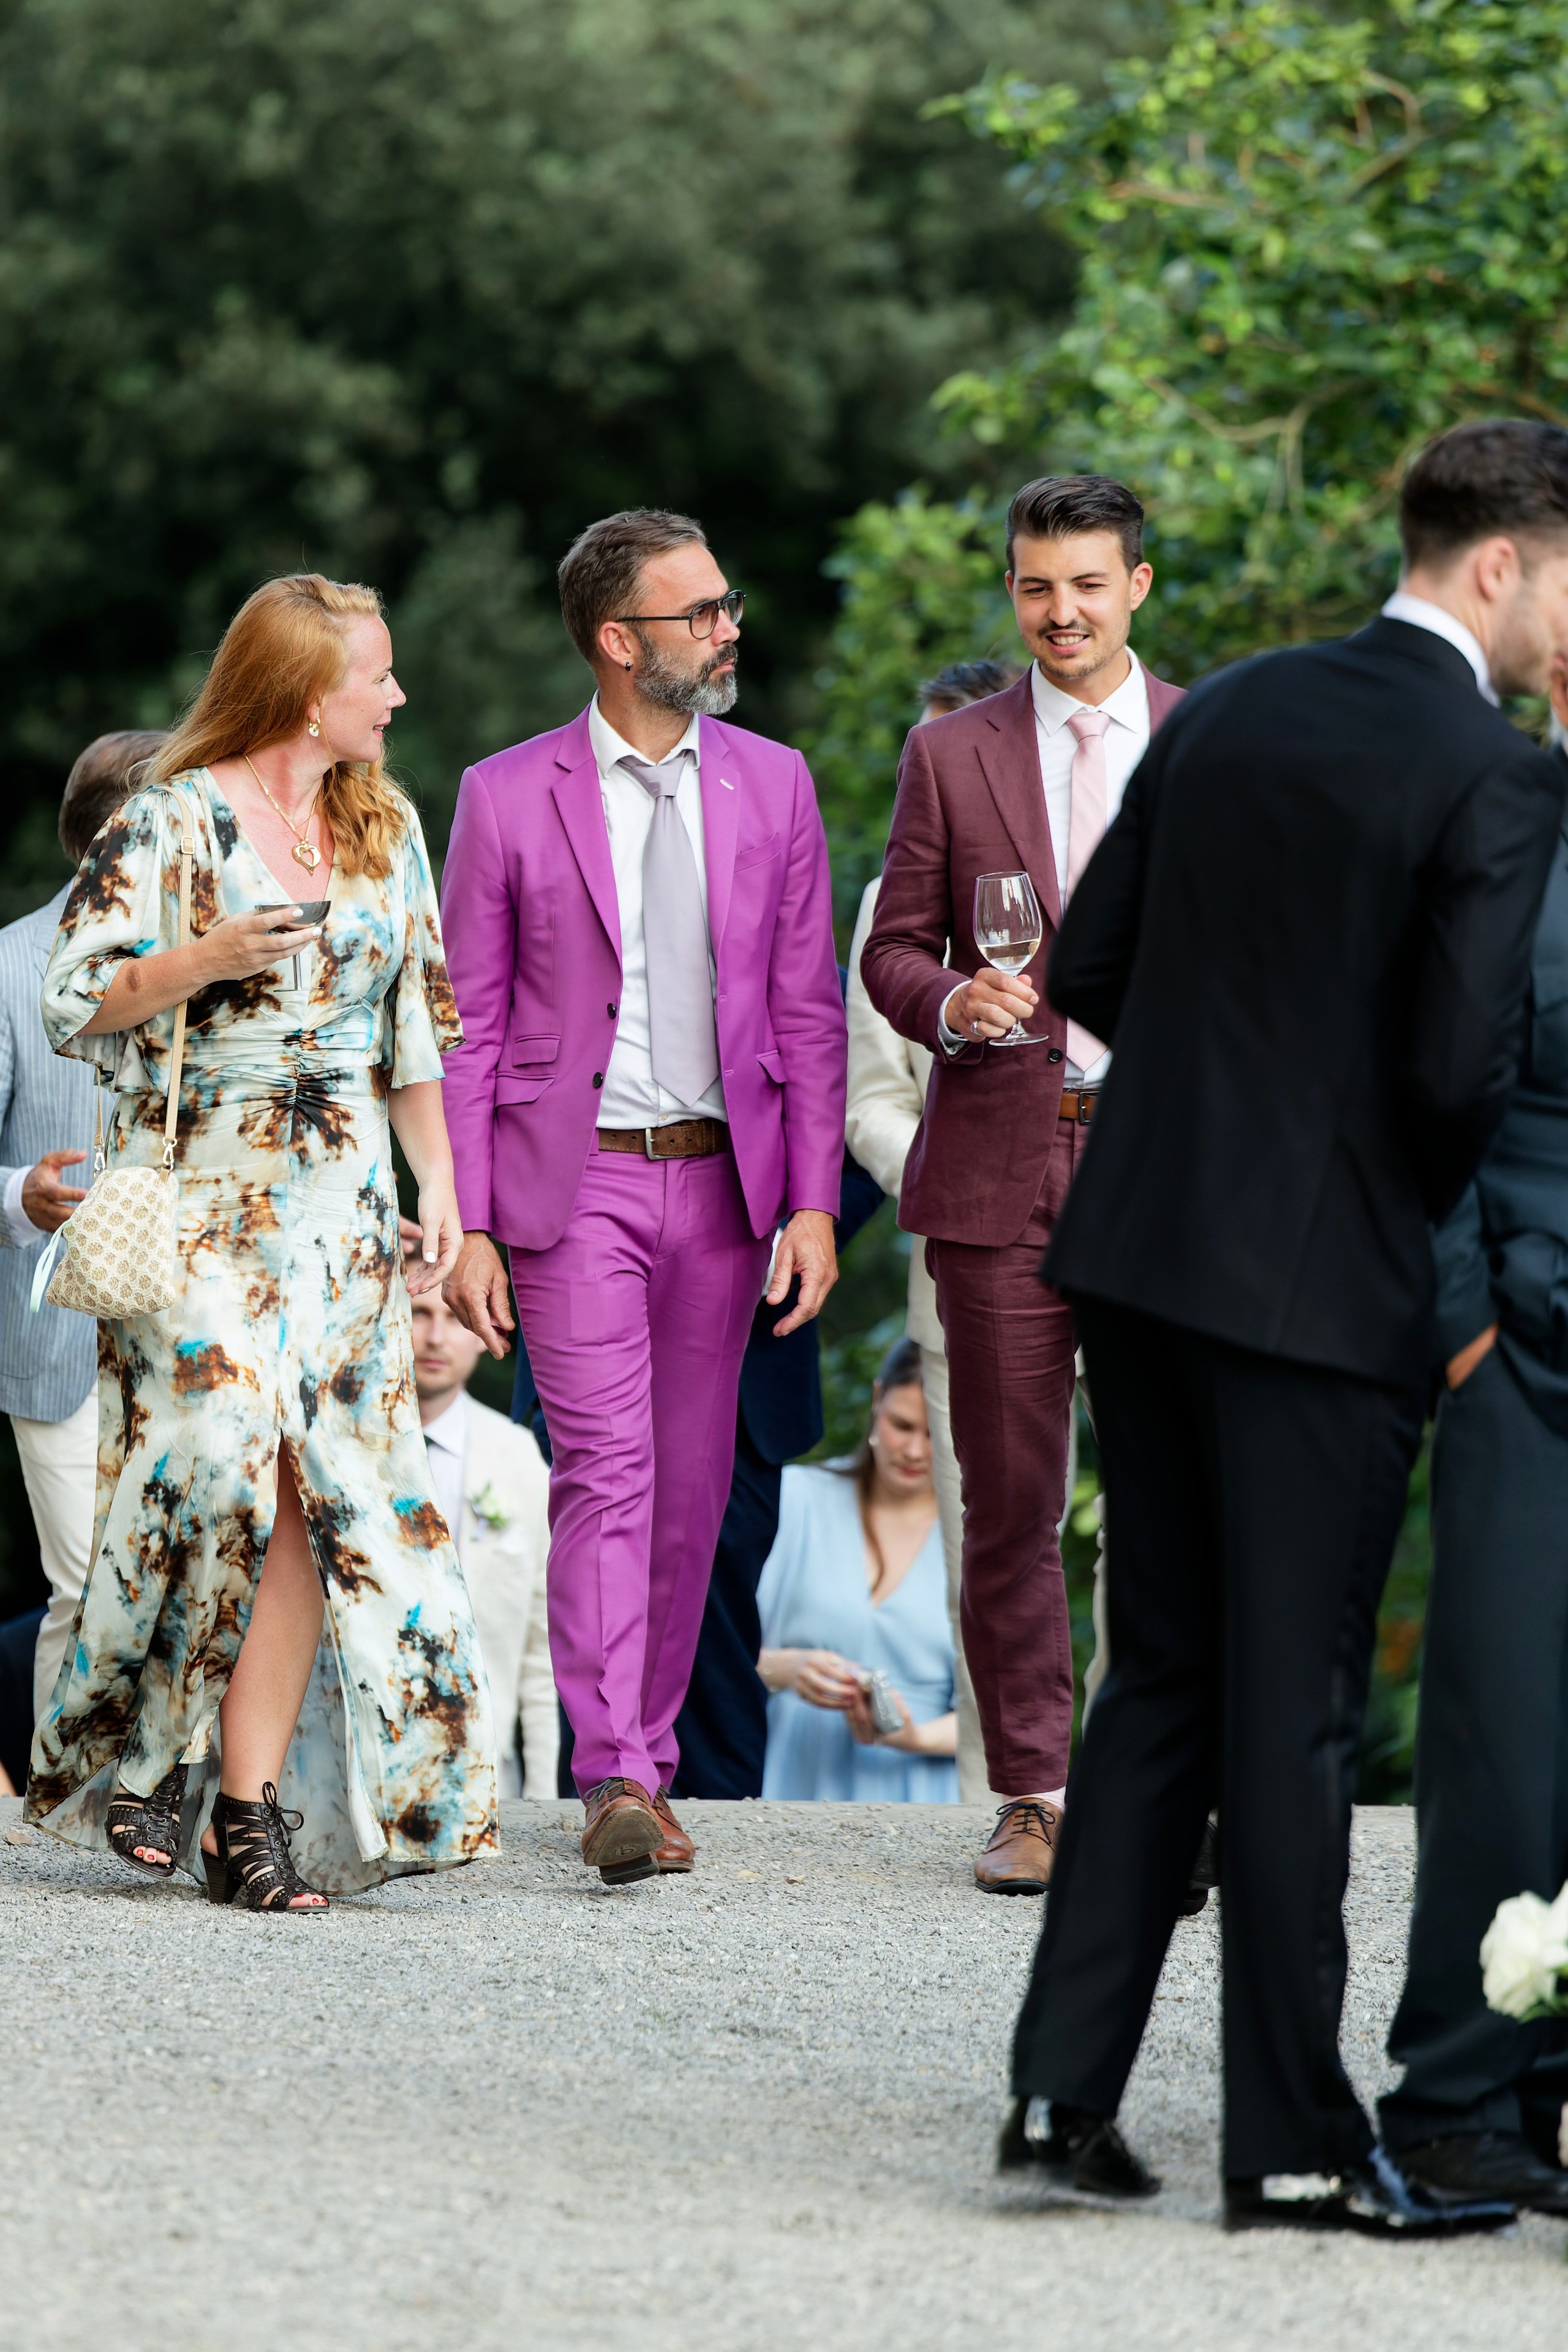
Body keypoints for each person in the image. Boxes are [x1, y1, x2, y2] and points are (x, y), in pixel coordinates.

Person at [1006, 419, 1568, 2233]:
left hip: (1137, 1251)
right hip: (1316, 1287)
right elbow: (1448, 1064)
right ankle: (1299, 2143)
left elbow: (1085, 969)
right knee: (1298, 1715)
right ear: (1499, 564)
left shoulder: (1229, 702)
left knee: (1158, 1674)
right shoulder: (1491, 768)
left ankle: (1055, 2095)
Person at [26, 573, 497, 1912]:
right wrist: (206, 954)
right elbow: (75, 1000)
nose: (398, 697)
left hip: (342, 1203)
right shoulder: (168, 820)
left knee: (315, 1502)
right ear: (305, 691)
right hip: (199, 1196)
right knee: (217, 1450)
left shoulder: (385, 820)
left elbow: (416, 1019)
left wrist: (441, 1188)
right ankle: (145, 1746)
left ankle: (244, 1816)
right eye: (379, 676)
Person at [440, 507, 846, 1887]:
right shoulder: (505, 792)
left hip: (728, 1187)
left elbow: (804, 1012)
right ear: (619, 642)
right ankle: (613, 1769)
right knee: (604, 1473)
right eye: (702, 613)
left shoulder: (774, 784)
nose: (729, 630)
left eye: (727, 606)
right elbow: (470, 1026)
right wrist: (472, 1220)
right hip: (577, 1186)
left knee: (690, 1491)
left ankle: (648, 1758)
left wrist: (809, 1205)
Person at [861, 477, 1184, 1894]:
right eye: (1034, 588)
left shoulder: (1207, 737)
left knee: (1179, 1495)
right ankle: (1034, 1797)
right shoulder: (947, 751)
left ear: (1137, 585)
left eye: (1086, 585)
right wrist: (949, 1005)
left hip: (1165, 1163)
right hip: (996, 1155)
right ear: (1013, 593)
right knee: (1007, 1501)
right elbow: (888, 952)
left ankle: (1162, 1792)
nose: (1060, 613)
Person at [1374, 655, 1568, 2216]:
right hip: (1520, 1341)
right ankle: (1454, 2090)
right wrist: (1460, 1325)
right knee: (1504, 1727)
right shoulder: (1483, 814)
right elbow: (1409, 1089)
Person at [846, 658, 1019, 1804]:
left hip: (1124, 1246)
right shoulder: (886, 911)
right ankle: (1011, 1803)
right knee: (987, 1551)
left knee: (1159, 1533)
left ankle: (1143, 1794)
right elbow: (869, 1100)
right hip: (964, 1260)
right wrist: (962, 1183)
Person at [0, 731, 166, 1730]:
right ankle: (75, 1807)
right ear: (112, 842)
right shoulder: (10, 969)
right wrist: (22, 1196)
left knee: (193, 1589)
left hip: (202, 1330)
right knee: (85, 1586)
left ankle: (170, 1803)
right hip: (59, 1336)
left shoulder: (226, 971)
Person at [757, 1336, 957, 1801]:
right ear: (876, 1399)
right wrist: (785, 1669)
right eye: (901, 1425)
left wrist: (917, 1736)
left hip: (923, 1789)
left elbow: (1015, 1714)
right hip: (792, 1773)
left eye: (934, 1434)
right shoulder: (795, 1498)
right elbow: (712, 1653)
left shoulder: (976, 1538)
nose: (913, 1450)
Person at [407, 1232, 557, 1801]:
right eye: (419, 1313)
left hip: (483, 1765)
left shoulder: (518, 1456)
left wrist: (543, 1795)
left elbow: (541, 1646)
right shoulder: (343, 1444)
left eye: (451, 1315)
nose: (436, 1335)